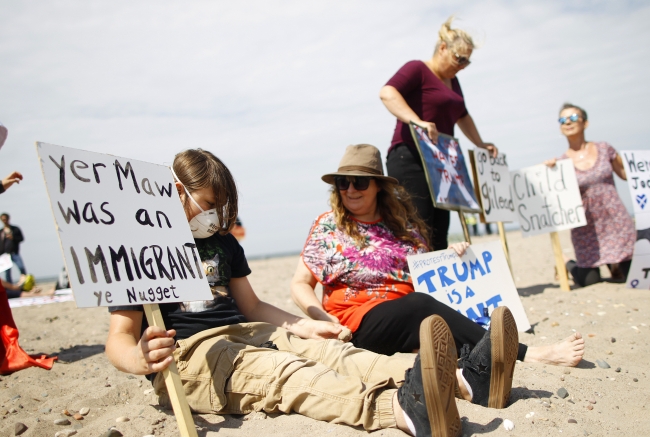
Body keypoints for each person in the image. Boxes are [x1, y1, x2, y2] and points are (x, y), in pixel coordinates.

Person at [106, 148, 520, 437]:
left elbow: (251, 305)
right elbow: (118, 340)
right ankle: (399, 411)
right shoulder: (143, 247)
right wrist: (140, 358)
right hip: (193, 355)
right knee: (290, 377)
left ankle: (467, 381)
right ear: (177, 192)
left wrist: (305, 326)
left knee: (337, 355)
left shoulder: (223, 242)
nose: (214, 215)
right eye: (208, 203)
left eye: (221, 206)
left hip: (250, 331)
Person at [291, 144, 585, 369]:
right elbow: (300, 284)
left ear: (378, 185)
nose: (350, 190)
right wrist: (321, 318)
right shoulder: (329, 225)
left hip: (407, 317)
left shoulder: (403, 226)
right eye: (343, 182)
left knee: (429, 322)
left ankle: (456, 359)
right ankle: (526, 354)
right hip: (355, 322)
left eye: (360, 182)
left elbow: (428, 273)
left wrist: (452, 257)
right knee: (420, 308)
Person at [379, 16, 497, 251]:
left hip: (441, 162)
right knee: (418, 225)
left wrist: (481, 144)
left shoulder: (453, 80)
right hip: (410, 156)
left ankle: (439, 285)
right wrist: (417, 121)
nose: (462, 65)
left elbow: (463, 115)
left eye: (467, 62)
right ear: (443, 48)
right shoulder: (418, 69)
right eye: (459, 58)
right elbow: (387, 92)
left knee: (440, 228)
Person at [545, 103, 636, 287]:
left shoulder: (604, 148)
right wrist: (548, 172)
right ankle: (566, 262)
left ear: (585, 123)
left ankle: (615, 263)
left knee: (631, 277)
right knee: (589, 281)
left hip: (615, 220)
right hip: (587, 228)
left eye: (572, 118)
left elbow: (627, 174)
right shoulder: (561, 163)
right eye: (562, 120)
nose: (567, 122)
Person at [0, 214, 27, 284]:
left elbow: (21, 238)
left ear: (8, 219)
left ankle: (26, 283)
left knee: (21, 267)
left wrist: (13, 237)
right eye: (3, 220)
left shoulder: (15, 229)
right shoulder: (1, 232)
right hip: (5, 255)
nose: (5, 221)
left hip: (15, 252)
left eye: (6, 219)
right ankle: (10, 286)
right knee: (7, 272)